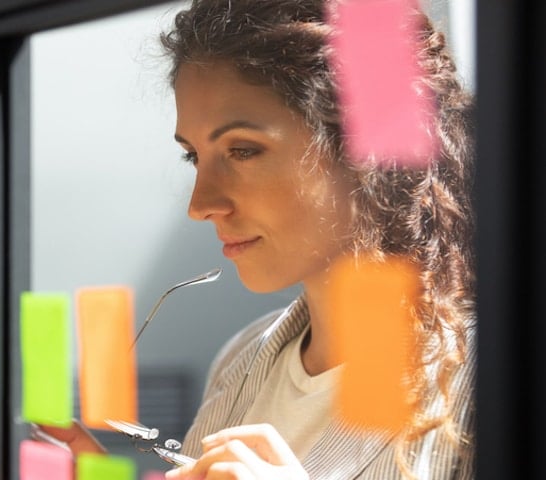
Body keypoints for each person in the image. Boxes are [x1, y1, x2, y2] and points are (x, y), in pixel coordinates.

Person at [43, 0, 476, 478]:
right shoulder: (241, 359)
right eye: (193, 157)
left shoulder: (488, 379)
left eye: (243, 150)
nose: (201, 204)